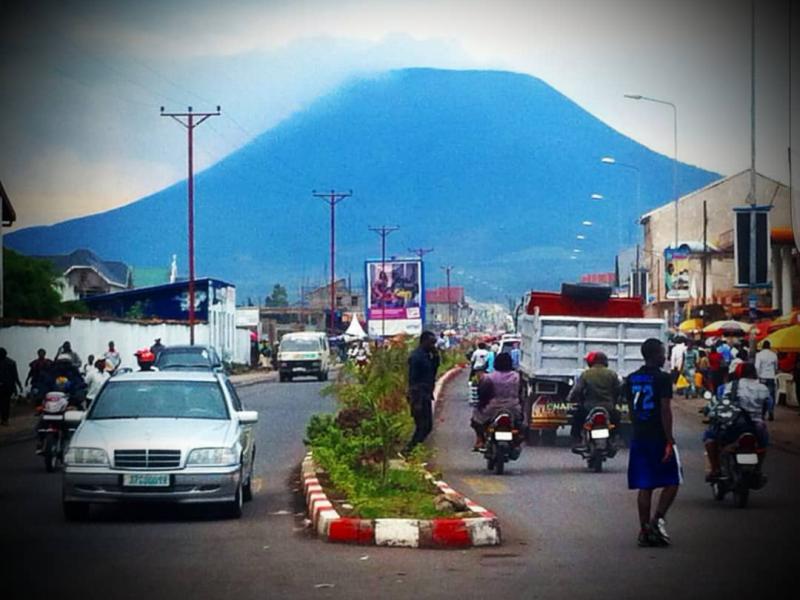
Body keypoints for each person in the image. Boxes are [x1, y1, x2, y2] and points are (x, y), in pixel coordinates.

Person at [626, 338, 681, 547]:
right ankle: (657, 519)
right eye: (662, 353)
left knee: (645, 485)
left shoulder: (631, 378)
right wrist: (669, 437)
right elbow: (665, 409)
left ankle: (643, 529)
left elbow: (631, 409)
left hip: (640, 436)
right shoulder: (663, 379)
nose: (664, 357)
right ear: (655, 355)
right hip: (658, 437)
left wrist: (637, 427)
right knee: (672, 481)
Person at [703, 362, 770, 481]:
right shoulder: (763, 388)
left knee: (709, 437)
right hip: (756, 427)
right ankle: (758, 470)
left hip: (734, 425)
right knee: (763, 445)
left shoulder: (732, 385)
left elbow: (723, 403)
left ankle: (715, 469)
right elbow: (768, 406)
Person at [568, 351, 622, 450]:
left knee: (577, 418)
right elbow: (619, 390)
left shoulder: (586, 374)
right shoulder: (612, 374)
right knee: (616, 418)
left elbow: (577, 390)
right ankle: (614, 438)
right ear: (605, 362)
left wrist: (570, 399)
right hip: (608, 407)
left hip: (588, 407)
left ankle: (577, 439)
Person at [469, 352, 522, 450]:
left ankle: (480, 440)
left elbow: (482, 394)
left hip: (492, 408)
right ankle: (517, 440)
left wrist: (481, 405)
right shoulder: (517, 377)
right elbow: (521, 393)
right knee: (520, 423)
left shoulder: (488, 377)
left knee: (475, 419)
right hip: (513, 408)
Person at [403, 331, 440, 454]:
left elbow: (433, 372)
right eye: (431, 343)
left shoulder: (427, 355)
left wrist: (436, 357)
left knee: (426, 426)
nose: (433, 346)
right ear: (424, 341)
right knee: (423, 425)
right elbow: (413, 379)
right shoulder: (416, 357)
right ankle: (409, 450)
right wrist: (415, 398)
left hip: (426, 394)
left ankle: (412, 449)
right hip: (419, 395)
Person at [755, 341, 778, 421]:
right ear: (769, 346)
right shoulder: (774, 355)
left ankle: (762, 413)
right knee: (771, 395)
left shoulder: (759, 355)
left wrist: (757, 377)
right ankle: (771, 411)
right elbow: (776, 367)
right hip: (771, 377)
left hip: (762, 377)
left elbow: (757, 367)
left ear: (762, 347)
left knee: (762, 395)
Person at [0, 348, 23, 426]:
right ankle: (5, 420)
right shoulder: (11, 362)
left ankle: (4, 420)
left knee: (5, 404)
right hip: (8, 386)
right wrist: (19, 386)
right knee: (6, 404)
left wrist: (19, 386)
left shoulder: (11, 363)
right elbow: (15, 376)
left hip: (6, 386)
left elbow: (15, 376)